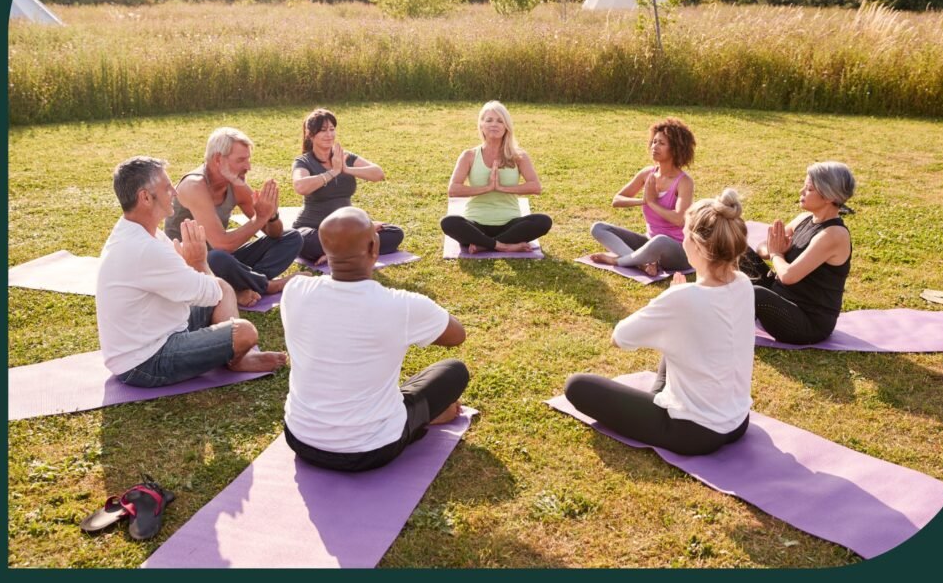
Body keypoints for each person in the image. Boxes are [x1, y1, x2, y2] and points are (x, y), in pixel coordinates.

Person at [565, 189, 754, 456]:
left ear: (697, 245)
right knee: (680, 336)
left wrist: (671, 299)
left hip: (695, 432)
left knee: (577, 386)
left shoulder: (682, 298)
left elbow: (619, 337)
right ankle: (659, 399)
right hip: (737, 421)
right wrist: (677, 306)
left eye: (685, 234)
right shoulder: (743, 283)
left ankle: (658, 403)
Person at [281, 206, 470, 472]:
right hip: (371, 449)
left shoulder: (295, 290)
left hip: (300, 438)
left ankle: (412, 413)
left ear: (323, 248)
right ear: (374, 248)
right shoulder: (401, 305)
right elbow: (456, 335)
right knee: (453, 371)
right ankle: (424, 416)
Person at [96, 156, 287, 387]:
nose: (175, 193)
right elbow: (209, 292)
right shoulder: (144, 247)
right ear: (145, 197)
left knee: (225, 287)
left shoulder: (138, 230)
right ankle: (235, 358)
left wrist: (193, 266)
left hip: (162, 329)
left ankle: (235, 355)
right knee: (244, 332)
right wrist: (199, 262)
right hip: (144, 362)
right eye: (167, 188)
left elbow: (202, 286)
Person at [165, 127, 304, 307]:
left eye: (248, 159)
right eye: (241, 160)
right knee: (217, 257)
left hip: (222, 260)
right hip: (188, 266)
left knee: (292, 238)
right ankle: (268, 285)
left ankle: (244, 284)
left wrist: (272, 215)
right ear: (217, 159)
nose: (248, 167)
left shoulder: (234, 183)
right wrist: (260, 218)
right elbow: (223, 244)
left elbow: (275, 234)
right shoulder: (194, 186)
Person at [739, 161, 856, 345]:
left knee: (755, 294)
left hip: (807, 322)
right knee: (737, 250)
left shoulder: (833, 235)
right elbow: (764, 246)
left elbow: (788, 276)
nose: (801, 191)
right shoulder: (805, 218)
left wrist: (777, 254)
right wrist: (774, 250)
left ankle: (721, 330)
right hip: (780, 296)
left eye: (808, 189)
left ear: (827, 196)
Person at [291, 108, 404, 265]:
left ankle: (336, 254)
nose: (329, 135)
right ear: (310, 134)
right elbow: (300, 186)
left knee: (395, 233)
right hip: (314, 228)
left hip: (347, 229)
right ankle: (355, 250)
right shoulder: (304, 161)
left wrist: (346, 169)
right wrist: (333, 172)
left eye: (332, 129)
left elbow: (378, 173)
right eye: (323, 130)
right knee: (301, 241)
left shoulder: (345, 157)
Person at [440, 100, 552, 253]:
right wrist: (487, 188)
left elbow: (536, 187)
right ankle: (502, 245)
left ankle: (484, 245)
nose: (494, 124)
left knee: (543, 221)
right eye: (489, 120)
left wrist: (501, 188)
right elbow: (453, 190)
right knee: (449, 222)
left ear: (506, 127)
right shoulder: (469, 155)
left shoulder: (518, 156)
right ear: (481, 125)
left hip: (510, 223)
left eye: (500, 121)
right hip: (476, 223)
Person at [589, 118, 696, 276]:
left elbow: (679, 219)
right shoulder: (647, 173)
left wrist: (652, 203)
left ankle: (619, 261)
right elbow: (617, 200)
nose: (654, 147)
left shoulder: (684, 182)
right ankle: (643, 263)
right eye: (654, 142)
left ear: (676, 149)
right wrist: (644, 200)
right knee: (598, 228)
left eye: (661, 143)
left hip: (677, 250)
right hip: (649, 243)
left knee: (660, 240)